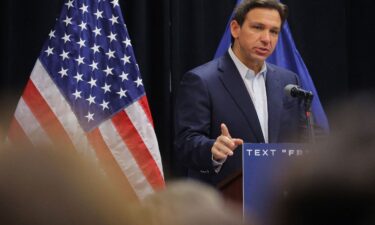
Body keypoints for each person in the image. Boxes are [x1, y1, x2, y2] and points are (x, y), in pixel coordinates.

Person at [174, 0, 305, 186]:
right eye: (258, 27)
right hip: (226, 201)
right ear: (235, 29)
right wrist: (212, 149)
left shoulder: (289, 81)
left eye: (274, 31)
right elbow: (186, 144)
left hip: (280, 197)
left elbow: (302, 135)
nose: (267, 39)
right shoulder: (201, 80)